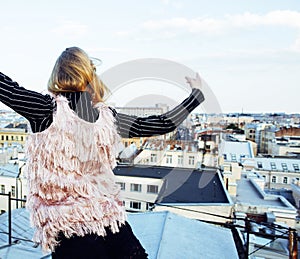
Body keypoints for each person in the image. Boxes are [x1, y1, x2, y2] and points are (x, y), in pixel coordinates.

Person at [0, 47, 205, 258]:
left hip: (68, 226)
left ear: (58, 75)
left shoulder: (44, 110)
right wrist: (196, 96)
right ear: (89, 74)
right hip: (108, 219)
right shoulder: (107, 118)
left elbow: (8, 89)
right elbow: (161, 123)